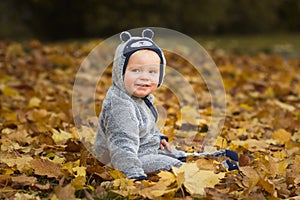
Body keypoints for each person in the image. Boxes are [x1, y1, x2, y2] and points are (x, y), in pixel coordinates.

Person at [94, 28, 186, 180]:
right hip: (124, 159)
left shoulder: (141, 97)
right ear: (120, 71)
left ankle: (206, 159)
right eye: (136, 70)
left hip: (144, 148)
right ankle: (199, 169)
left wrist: (157, 137)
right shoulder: (120, 105)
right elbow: (121, 145)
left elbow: (145, 126)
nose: (145, 78)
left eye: (152, 72)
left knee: (174, 154)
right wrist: (133, 174)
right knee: (174, 166)